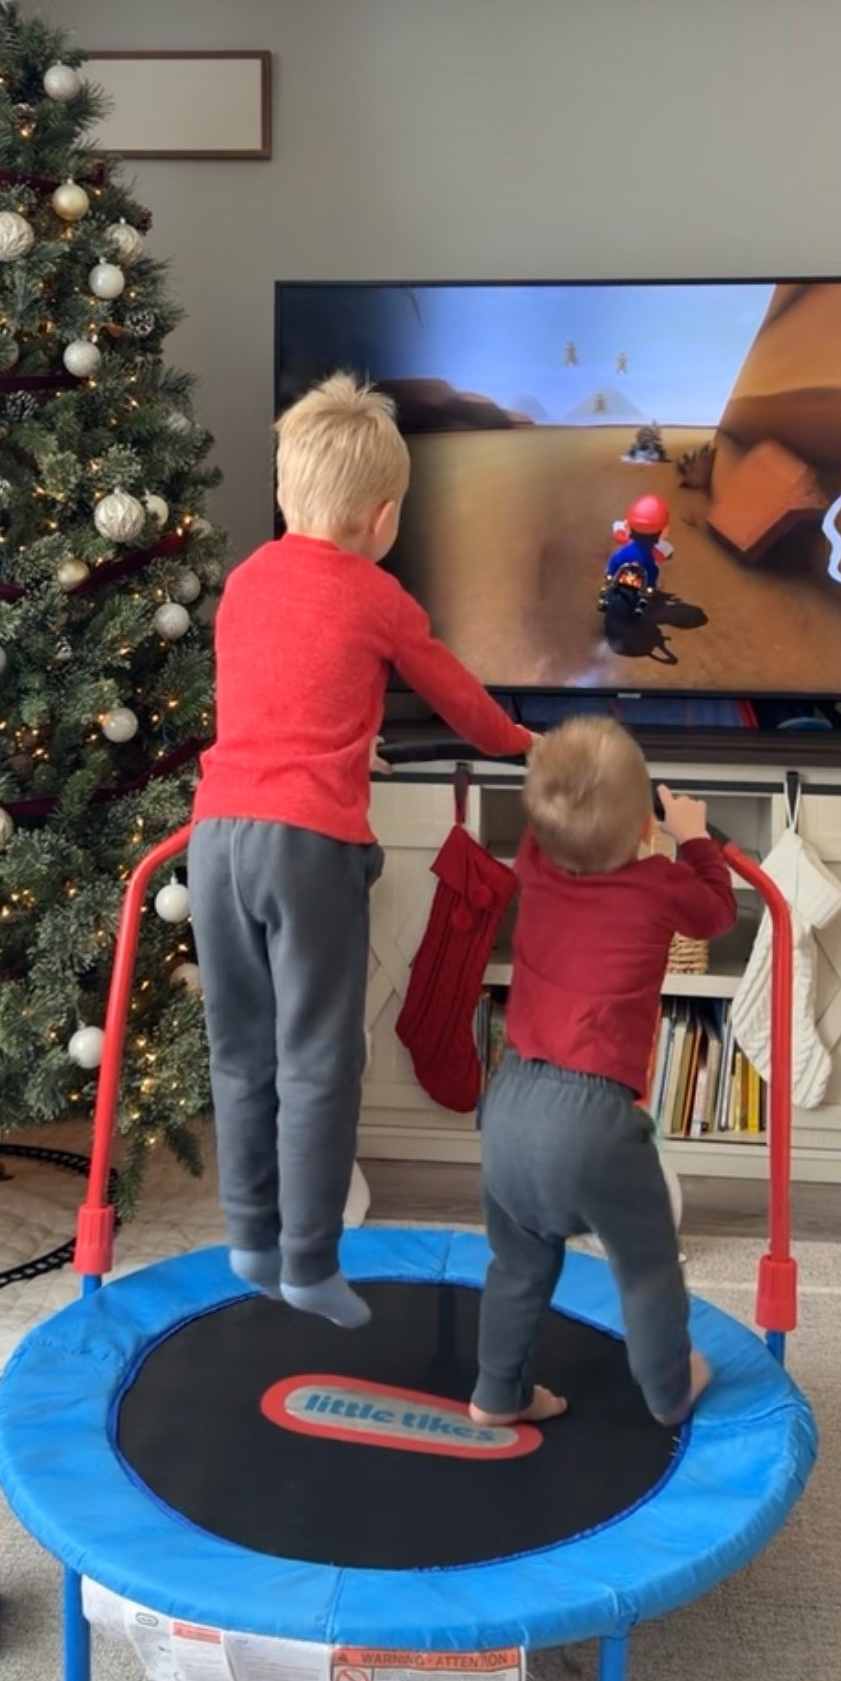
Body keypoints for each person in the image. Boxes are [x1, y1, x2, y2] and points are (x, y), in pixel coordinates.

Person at [189, 373, 534, 1328]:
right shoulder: (377, 594)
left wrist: (347, 735)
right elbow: (461, 700)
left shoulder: (248, 580)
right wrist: (522, 744)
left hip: (216, 838)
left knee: (240, 1053)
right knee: (317, 1061)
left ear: (287, 493)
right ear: (382, 517)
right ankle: (307, 1262)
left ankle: (249, 1240)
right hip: (309, 847)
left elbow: (278, 692)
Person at [469, 715, 737, 1428]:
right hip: (592, 1121)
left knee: (518, 1266)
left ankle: (498, 1392)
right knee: (645, 1266)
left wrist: (547, 762)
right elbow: (718, 910)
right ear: (642, 828)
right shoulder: (658, 881)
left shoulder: (532, 863)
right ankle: (670, 1387)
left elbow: (549, 814)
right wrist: (695, 835)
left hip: (509, 1105)